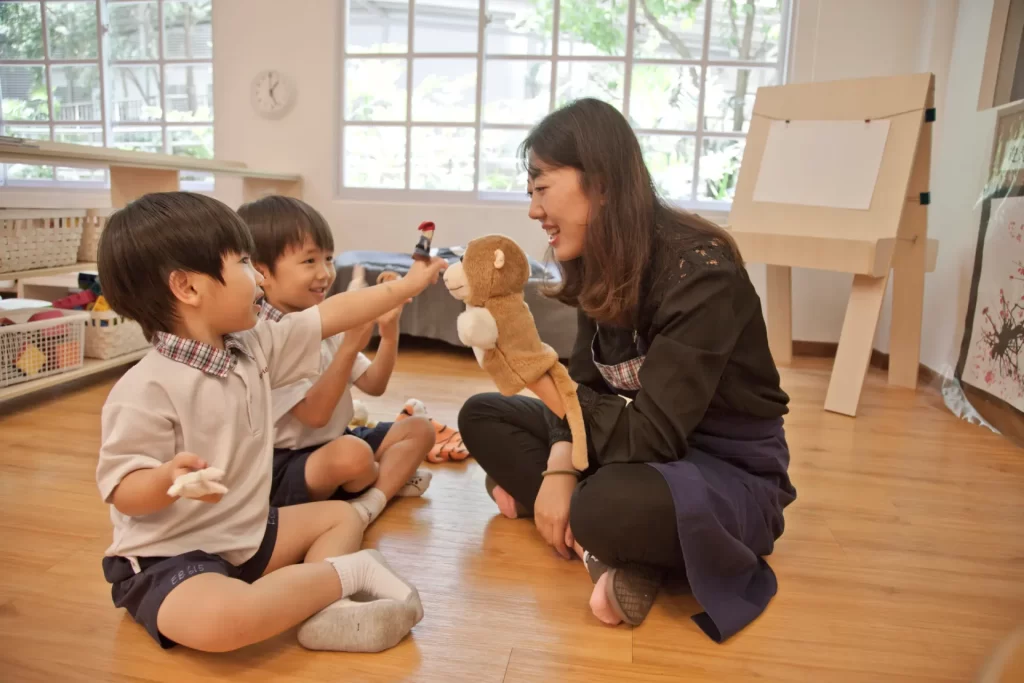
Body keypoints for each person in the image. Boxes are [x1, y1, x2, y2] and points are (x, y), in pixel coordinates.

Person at [457, 98, 797, 642]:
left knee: (606, 505)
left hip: (723, 470)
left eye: (541, 188)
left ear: (601, 183)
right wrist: (560, 469)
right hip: (639, 449)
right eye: (530, 194)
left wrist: (535, 373)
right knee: (482, 415)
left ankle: (604, 536)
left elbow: (654, 435)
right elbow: (586, 386)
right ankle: (615, 551)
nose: (533, 211)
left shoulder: (702, 275)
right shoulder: (602, 260)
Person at [95, 192, 446, 653]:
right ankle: (350, 575)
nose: (258, 275)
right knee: (222, 624)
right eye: (243, 263)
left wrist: (406, 287)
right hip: (172, 555)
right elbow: (122, 488)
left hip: (249, 533)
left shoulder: (252, 347)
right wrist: (167, 480)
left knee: (340, 516)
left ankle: (329, 610)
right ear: (188, 287)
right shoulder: (144, 388)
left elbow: (332, 314)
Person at [237, 195, 434, 525]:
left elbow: (375, 384)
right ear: (262, 273)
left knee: (420, 429)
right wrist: (349, 346)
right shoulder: (267, 336)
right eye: (309, 261)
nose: (325, 273)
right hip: (284, 463)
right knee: (354, 457)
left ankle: (368, 504)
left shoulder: (321, 319)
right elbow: (314, 416)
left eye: (328, 259)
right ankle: (376, 483)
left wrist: (388, 333)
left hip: (337, 441)